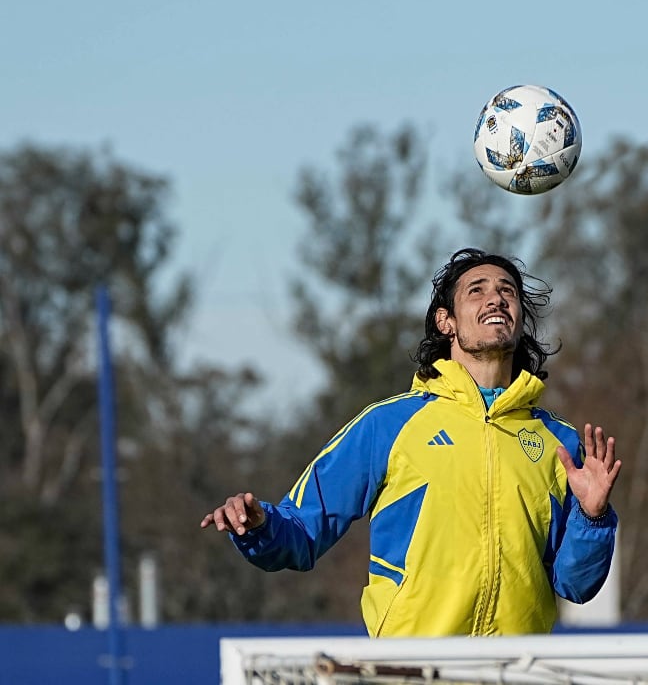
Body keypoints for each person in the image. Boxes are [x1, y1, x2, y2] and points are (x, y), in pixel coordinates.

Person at [201, 247, 621, 636]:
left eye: (506, 291)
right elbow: (301, 532)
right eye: (477, 291)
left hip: (519, 670)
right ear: (446, 321)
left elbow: (575, 584)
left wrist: (593, 515)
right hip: (409, 669)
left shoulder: (559, 442)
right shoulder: (388, 425)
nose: (495, 299)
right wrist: (257, 526)